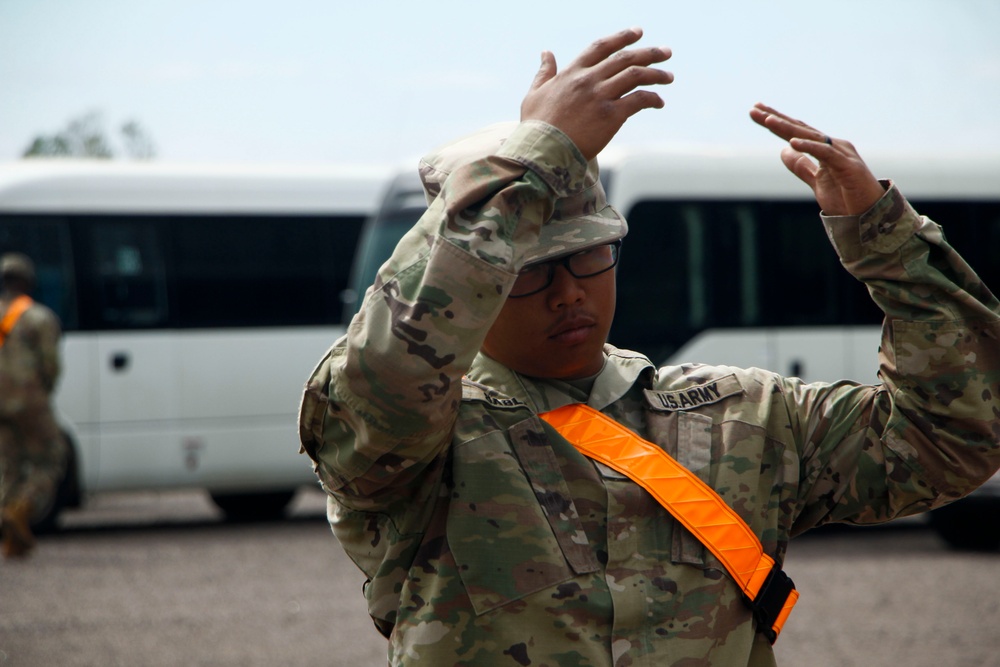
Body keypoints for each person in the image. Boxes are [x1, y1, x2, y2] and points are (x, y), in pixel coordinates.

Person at [298, 28, 1000, 666]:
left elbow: (959, 435)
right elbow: (393, 367)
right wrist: (538, 151)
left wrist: (890, 246)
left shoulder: (744, 419)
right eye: (531, 271)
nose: (569, 292)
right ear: (481, 276)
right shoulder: (423, 438)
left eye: (589, 257)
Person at [0, 252, 67, 559]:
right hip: (29, 401)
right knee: (51, 456)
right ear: (28, 282)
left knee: (7, 466)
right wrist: (44, 392)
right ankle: (21, 508)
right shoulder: (38, 317)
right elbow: (50, 366)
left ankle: (11, 539)